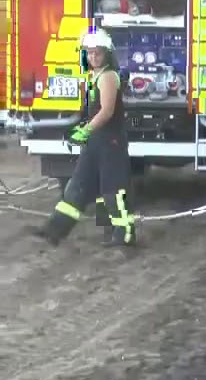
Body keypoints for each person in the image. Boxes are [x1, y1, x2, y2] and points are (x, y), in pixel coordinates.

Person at [31, 30, 137, 247]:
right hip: (96, 141)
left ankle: (124, 234)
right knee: (77, 185)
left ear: (106, 54)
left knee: (112, 190)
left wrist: (85, 131)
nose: (93, 57)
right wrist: (86, 131)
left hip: (110, 142)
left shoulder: (108, 76)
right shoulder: (95, 76)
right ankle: (55, 230)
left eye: (97, 53)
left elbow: (107, 111)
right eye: (89, 53)